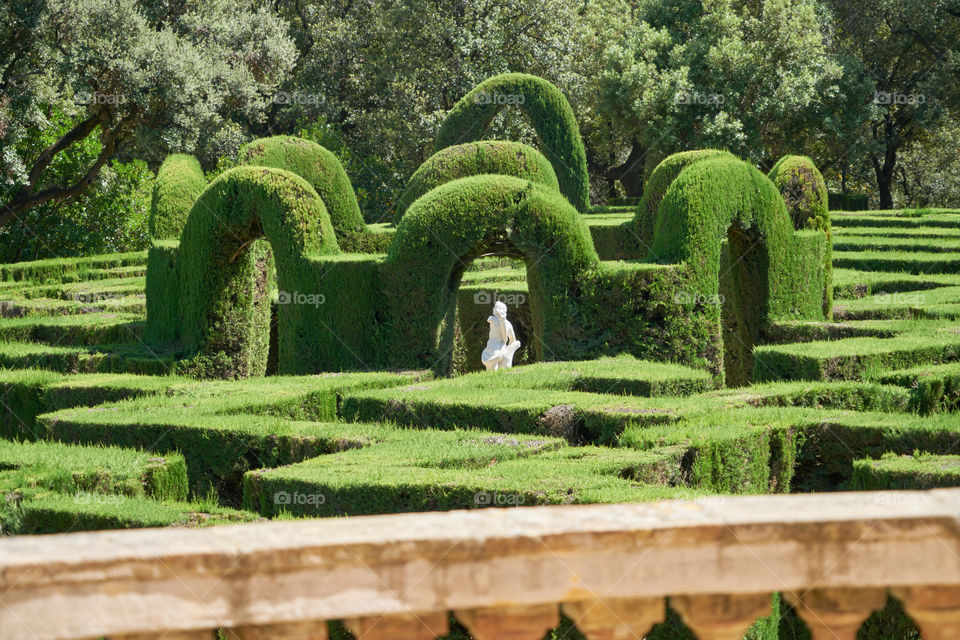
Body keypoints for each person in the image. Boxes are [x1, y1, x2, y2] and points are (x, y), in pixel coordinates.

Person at [481, 301, 522, 370]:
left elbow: (490, 319)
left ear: (496, 310)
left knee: (491, 374)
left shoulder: (492, 320)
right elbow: (512, 339)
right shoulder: (508, 324)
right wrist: (507, 349)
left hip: (492, 350)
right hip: (502, 350)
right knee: (502, 371)